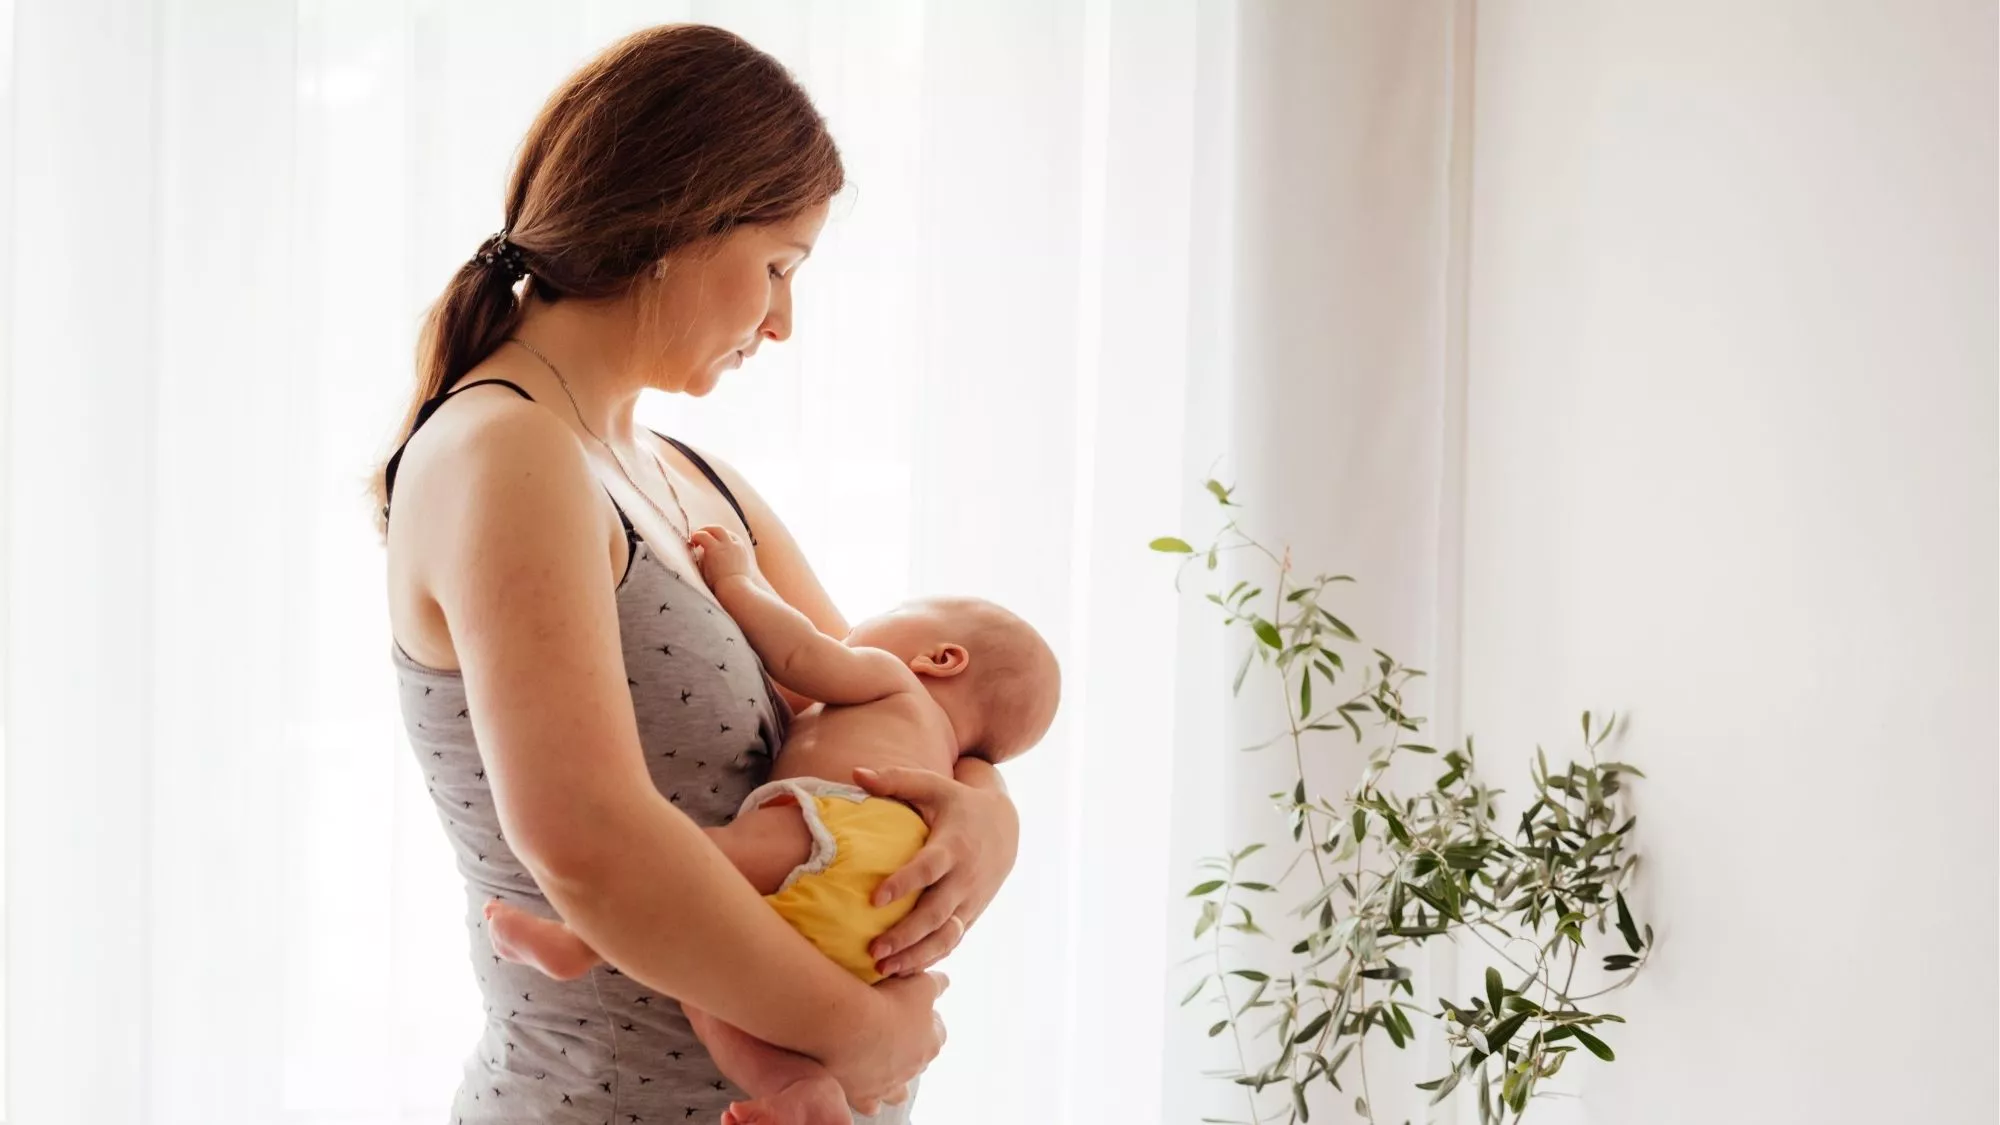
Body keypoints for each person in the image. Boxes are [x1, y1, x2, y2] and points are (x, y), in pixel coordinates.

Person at [376, 24, 1023, 1124]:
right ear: (680, 221)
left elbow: (899, 706)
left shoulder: (687, 477)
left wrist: (989, 821)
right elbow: (590, 849)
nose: (782, 322)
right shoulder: (506, 453)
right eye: (778, 267)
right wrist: (865, 1034)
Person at [486, 524, 1062, 1125]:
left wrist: (738, 579)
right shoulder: (943, 757)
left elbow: (798, 653)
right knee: (705, 983)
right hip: (886, 910)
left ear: (940, 659)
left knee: (694, 863)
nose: (852, 630)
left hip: (843, 823)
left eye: (887, 615)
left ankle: (579, 940)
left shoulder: (893, 680)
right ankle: (798, 1088)